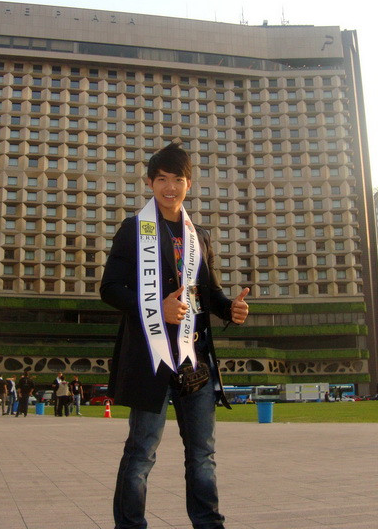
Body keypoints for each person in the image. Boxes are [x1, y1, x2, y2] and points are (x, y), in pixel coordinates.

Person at [101, 141, 250, 529]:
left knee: (202, 454)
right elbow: (110, 288)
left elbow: (207, 293)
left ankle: (209, 524)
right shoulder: (134, 230)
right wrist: (154, 307)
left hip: (194, 361)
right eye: (162, 179)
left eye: (178, 179)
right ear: (150, 182)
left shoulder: (198, 235)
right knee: (141, 452)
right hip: (152, 358)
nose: (170, 187)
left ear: (189, 184)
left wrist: (229, 310)